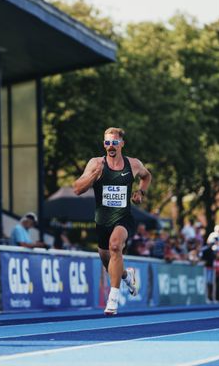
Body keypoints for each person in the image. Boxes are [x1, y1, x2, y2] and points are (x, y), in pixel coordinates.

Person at [72, 127, 152, 315]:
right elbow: (77, 189)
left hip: (123, 218)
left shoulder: (132, 164)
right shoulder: (95, 163)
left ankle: (113, 300)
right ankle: (126, 275)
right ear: (104, 144)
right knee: (109, 262)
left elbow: (147, 176)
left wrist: (141, 192)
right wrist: (94, 174)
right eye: (107, 143)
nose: (111, 146)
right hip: (102, 221)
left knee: (115, 246)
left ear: (122, 144)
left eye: (115, 142)